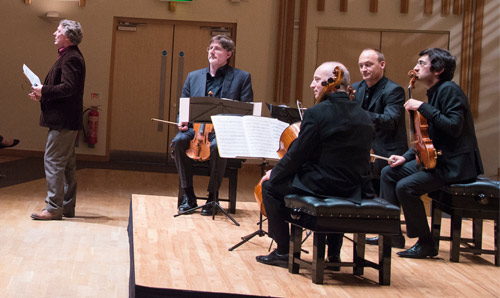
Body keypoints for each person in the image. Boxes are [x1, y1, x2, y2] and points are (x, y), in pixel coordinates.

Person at [255, 62, 374, 268]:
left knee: (270, 188)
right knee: (322, 184)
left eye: (317, 80)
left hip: (324, 185)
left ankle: (284, 251)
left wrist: (275, 174)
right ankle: (333, 254)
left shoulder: (317, 113)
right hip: (355, 187)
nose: (312, 85)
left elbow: (297, 155)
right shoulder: (364, 115)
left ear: (330, 84)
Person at [380, 48, 483, 258]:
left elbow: (454, 127)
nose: (416, 67)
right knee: (389, 172)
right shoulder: (435, 92)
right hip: (438, 160)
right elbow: (425, 138)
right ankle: (391, 234)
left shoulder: (450, 91)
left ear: (439, 69)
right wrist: (405, 157)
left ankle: (426, 243)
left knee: (406, 187)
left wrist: (424, 108)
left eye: (421, 63)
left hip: (456, 164)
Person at [171, 35, 253, 215]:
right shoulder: (193, 76)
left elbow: (246, 110)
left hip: (223, 133)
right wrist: (181, 120)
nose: (212, 51)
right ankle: (189, 196)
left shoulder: (242, 78)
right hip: (196, 130)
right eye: (210, 48)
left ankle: (212, 197)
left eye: (217, 48)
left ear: (228, 54)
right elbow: (184, 104)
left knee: (218, 146)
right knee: (178, 142)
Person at [28, 19, 85, 220]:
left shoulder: (71, 58)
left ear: (67, 37)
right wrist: (43, 94)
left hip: (63, 121)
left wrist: (44, 90)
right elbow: (64, 89)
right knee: (67, 165)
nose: (54, 33)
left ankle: (53, 208)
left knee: (53, 161)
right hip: (66, 120)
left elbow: (68, 88)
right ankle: (66, 206)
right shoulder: (69, 56)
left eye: (58, 31)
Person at [351, 48, 408, 248]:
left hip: (388, 151)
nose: (364, 69)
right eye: (361, 65)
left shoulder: (393, 90)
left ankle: (393, 235)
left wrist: (358, 113)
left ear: (382, 65)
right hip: (366, 150)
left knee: (383, 190)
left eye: (369, 64)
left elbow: (391, 120)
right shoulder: (355, 88)